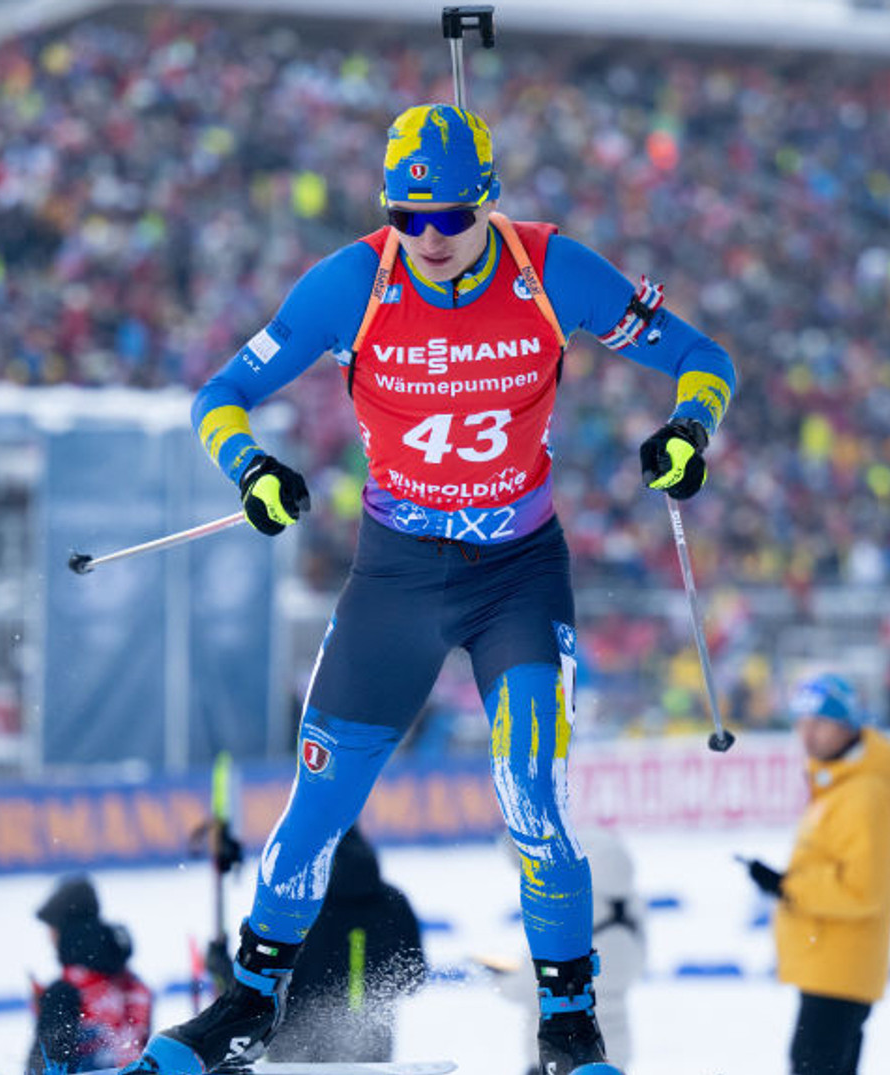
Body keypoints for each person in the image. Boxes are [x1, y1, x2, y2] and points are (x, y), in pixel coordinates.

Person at [131, 102, 736, 1075]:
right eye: (407, 218)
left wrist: (687, 434)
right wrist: (252, 469)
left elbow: (704, 359)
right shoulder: (352, 283)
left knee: (531, 797)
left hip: (515, 579)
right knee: (318, 804)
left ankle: (569, 1019)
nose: (427, 240)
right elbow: (219, 397)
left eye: (448, 219)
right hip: (397, 576)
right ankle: (250, 1002)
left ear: (486, 205)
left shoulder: (553, 271)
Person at [739, 674, 890, 1075]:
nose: (807, 734)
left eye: (819, 723)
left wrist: (786, 886)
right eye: (801, 723)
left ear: (848, 725)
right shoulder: (837, 787)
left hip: (841, 971)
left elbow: (864, 890)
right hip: (829, 966)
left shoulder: (864, 794)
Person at [482, 826, 647, 1075]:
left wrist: (499, 979)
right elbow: (636, 964)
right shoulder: (630, 903)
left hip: (559, 1054)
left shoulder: (566, 906)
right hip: (614, 1049)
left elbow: (538, 982)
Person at [266, 827, 427, 1063]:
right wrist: (369, 994)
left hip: (295, 1050)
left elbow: (265, 978)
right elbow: (414, 977)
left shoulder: (298, 907)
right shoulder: (393, 903)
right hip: (372, 1049)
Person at [28, 875, 154, 1075]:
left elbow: (40, 1069)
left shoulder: (63, 992)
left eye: (52, 929)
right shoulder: (135, 986)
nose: (49, 937)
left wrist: (46, 1012)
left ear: (66, 931)